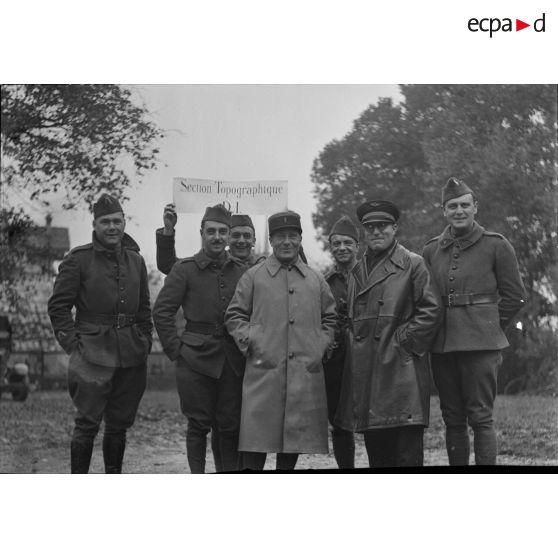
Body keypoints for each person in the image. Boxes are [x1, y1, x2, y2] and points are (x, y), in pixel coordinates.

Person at [423, 177, 526, 466]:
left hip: (482, 345)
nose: (459, 211)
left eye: (464, 205)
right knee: (453, 418)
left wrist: (491, 327)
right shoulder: (431, 250)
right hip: (443, 346)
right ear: (444, 210)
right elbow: (426, 298)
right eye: (452, 206)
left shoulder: (496, 245)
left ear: (475, 207)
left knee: (481, 417)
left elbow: (515, 296)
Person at [48, 194, 153, 473]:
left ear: (124, 223)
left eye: (117, 221)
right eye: (105, 222)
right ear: (94, 224)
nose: (112, 227)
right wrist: (74, 346)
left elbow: (144, 308)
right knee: (86, 425)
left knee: (118, 426)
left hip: (131, 355)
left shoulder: (136, 260)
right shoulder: (78, 260)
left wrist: (145, 339)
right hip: (90, 355)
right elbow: (59, 308)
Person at [225, 210, 337, 471]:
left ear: (300, 239)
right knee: (256, 440)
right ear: (271, 240)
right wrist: (253, 340)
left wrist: (319, 347)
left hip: (303, 374)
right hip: (264, 373)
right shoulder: (253, 276)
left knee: (293, 441)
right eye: (280, 237)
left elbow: (330, 318)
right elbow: (234, 315)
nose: (287, 242)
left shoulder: (315, 278)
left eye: (292, 236)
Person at [155, 203, 262, 472]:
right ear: (202, 232)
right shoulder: (185, 269)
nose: (217, 236)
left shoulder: (242, 271)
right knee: (198, 425)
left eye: (222, 231)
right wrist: (176, 350)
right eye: (211, 231)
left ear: (228, 235)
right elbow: (163, 311)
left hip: (232, 360)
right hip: (194, 360)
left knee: (229, 425)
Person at [335, 200, 440, 468]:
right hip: (369, 376)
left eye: (382, 226)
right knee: (378, 458)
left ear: (395, 229)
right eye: (370, 227)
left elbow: (431, 311)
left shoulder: (413, 264)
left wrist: (402, 344)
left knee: (406, 457)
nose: (376, 231)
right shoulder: (357, 270)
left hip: (401, 374)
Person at [322, 216, 359, 469]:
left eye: (347, 242)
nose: (342, 248)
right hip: (336, 360)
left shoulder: (371, 275)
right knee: (339, 420)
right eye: (336, 243)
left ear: (357, 245)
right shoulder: (324, 282)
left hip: (368, 355)